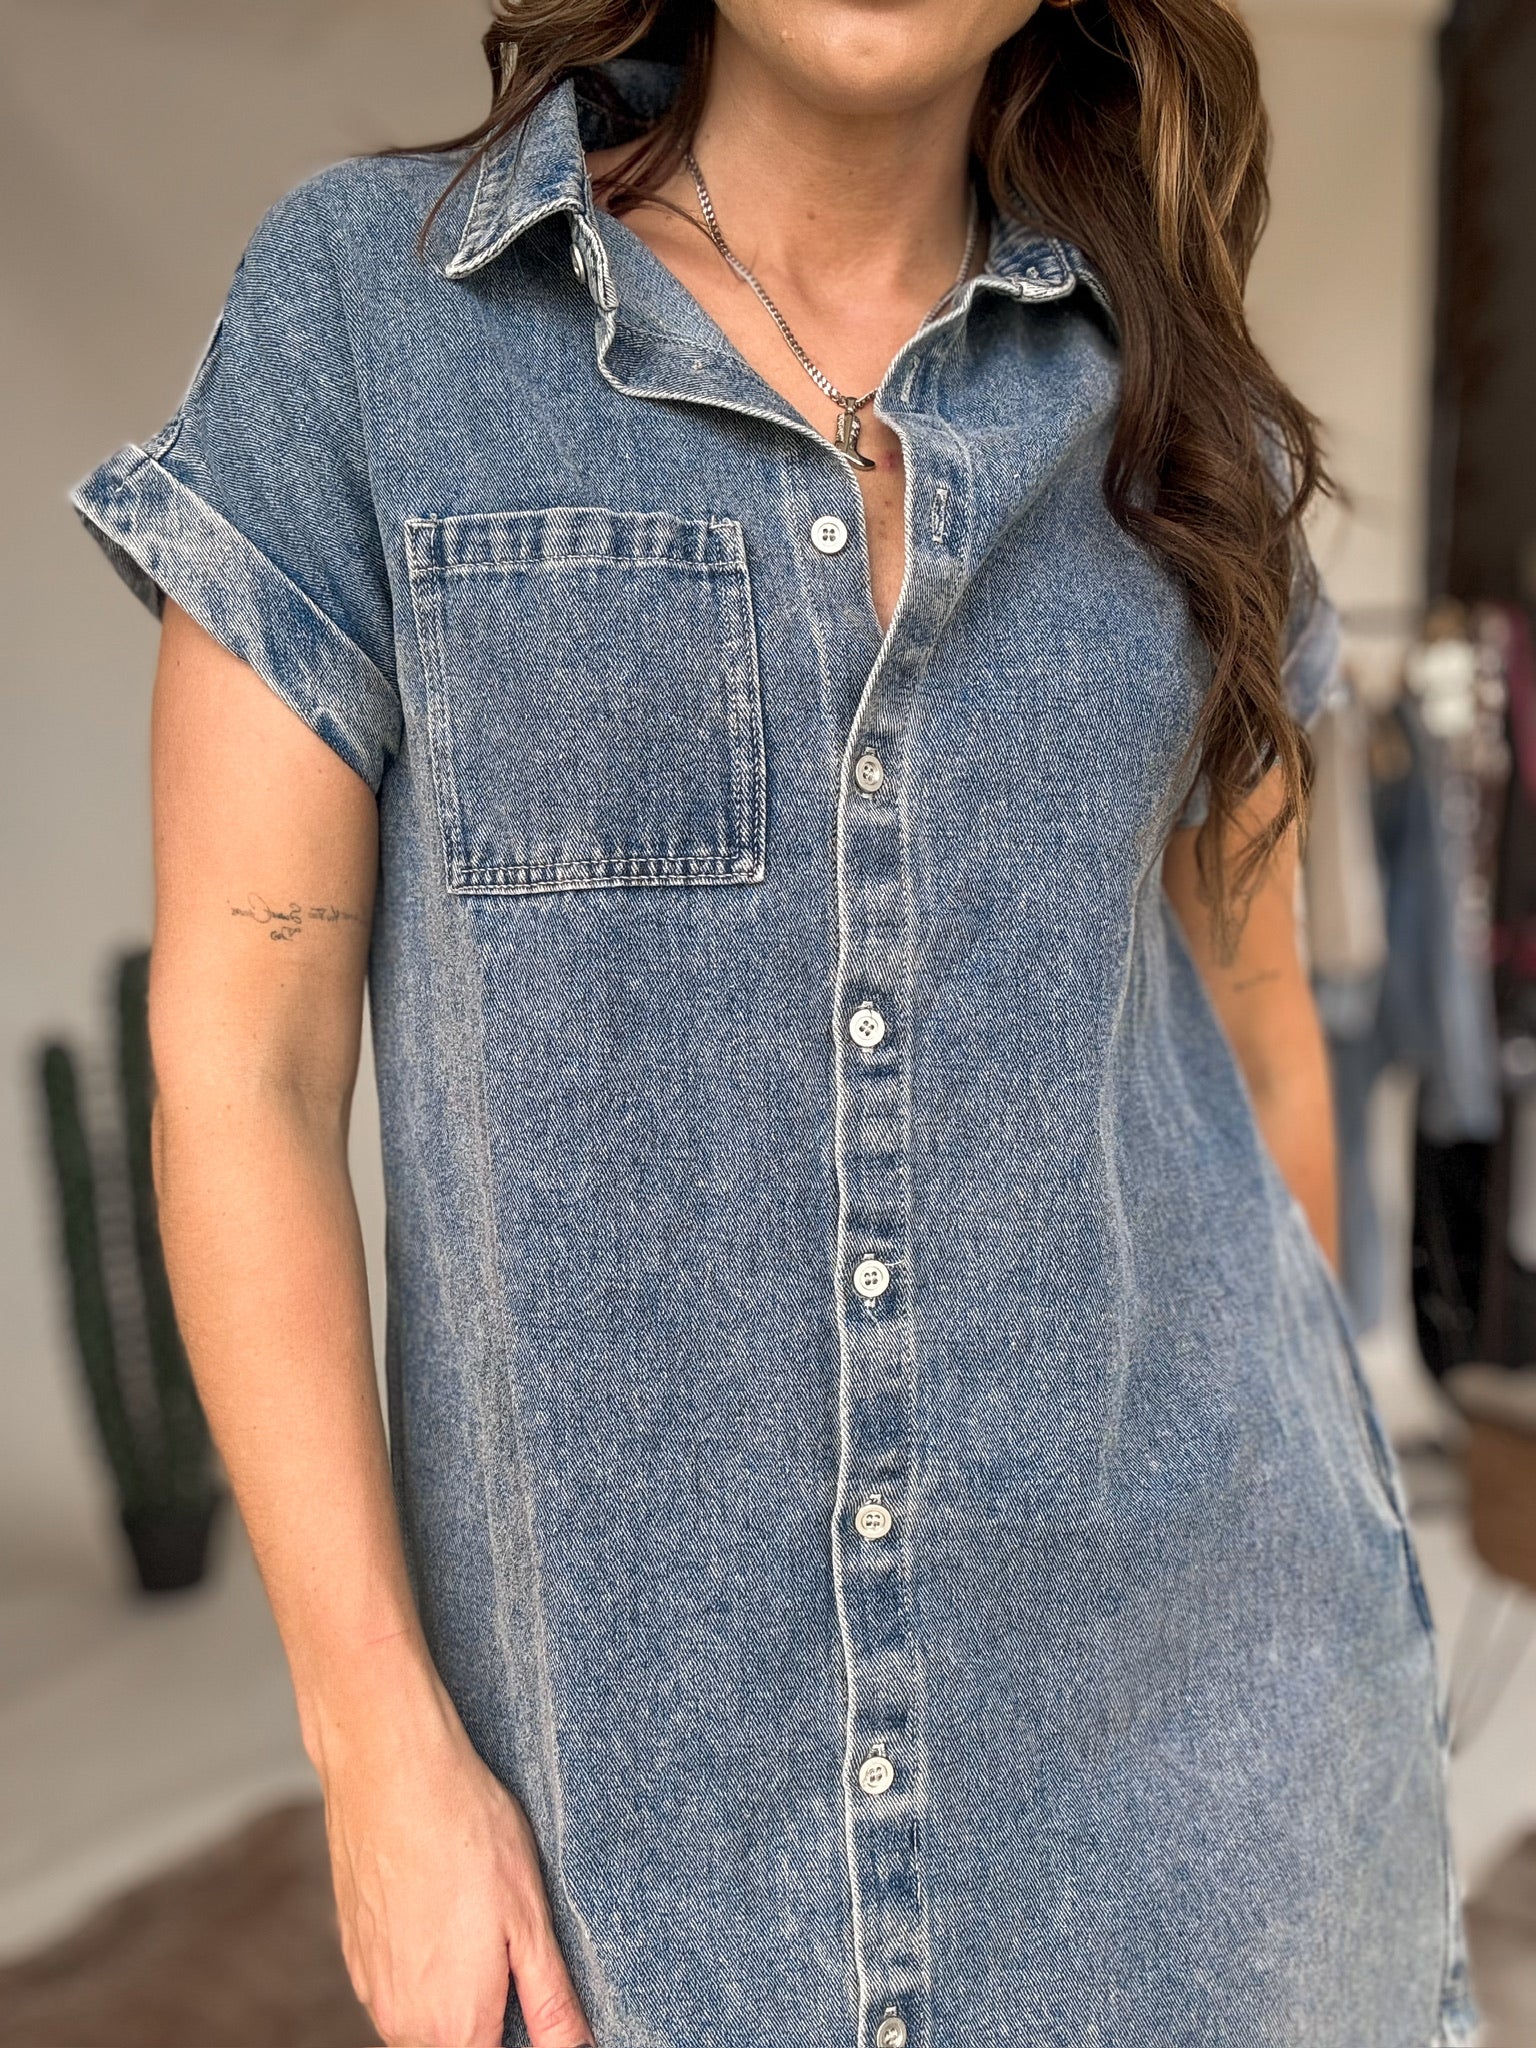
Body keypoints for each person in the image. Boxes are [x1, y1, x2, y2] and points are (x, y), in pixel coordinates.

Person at [69, 3, 1479, 2045]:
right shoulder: (374, 320)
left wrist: (1309, 1568)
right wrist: (377, 1739)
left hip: (1213, 1819)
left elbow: (1262, 1056)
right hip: (646, 1872)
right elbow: (244, 1070)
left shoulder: (1177, 407)